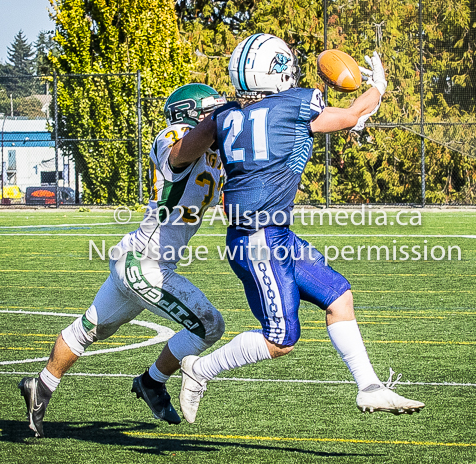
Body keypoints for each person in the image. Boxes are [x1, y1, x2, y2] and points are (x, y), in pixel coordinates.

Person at [170, 33, 425, 423]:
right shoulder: (294, 105)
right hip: (257, 239)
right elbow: (353, 115)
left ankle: (369, 386)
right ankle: (199, 370)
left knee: (339, 296)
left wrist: (208, 128)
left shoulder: (222, 117)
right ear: (277, 70)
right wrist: (378, 87)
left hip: (271, 235)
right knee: (280, 338)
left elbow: (178, 157)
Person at [18, 83, 232, 437]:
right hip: (143, 264)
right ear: (191, 114)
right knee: (209, 326)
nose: (217, 115)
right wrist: (216, 123)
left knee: (87, 329)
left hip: (138, 261)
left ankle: (39, 387)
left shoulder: (215, 149)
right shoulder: (174, 135)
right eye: (210, 110)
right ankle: (152, 381)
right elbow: (182, 153)